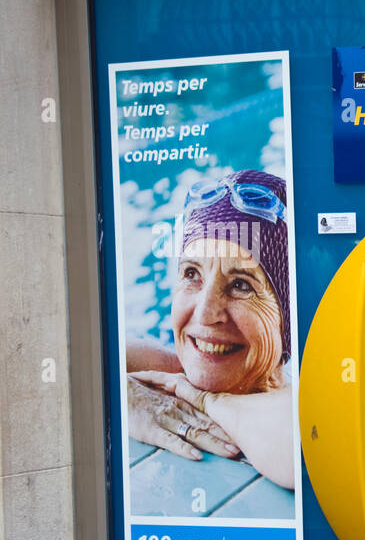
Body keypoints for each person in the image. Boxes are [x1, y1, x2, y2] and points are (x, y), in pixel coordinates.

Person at [126, 169, 296, 491]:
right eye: (191, 274)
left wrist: (208, 402)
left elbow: (303, 451)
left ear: (287, 318)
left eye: (241, 285)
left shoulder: (295, 406)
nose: (205, 314)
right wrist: (126, 397)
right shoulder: (165, 373)